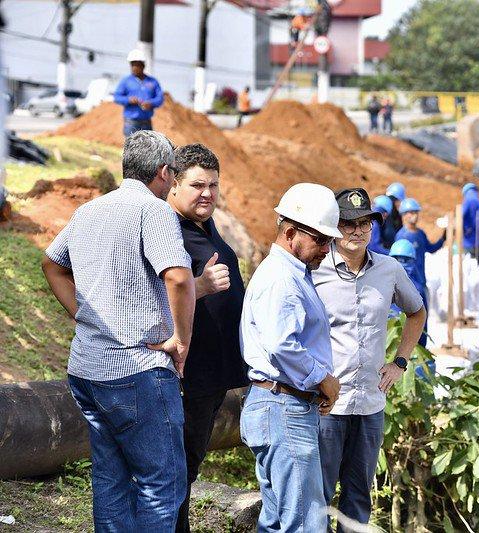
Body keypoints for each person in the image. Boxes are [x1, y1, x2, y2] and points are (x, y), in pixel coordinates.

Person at [41, 130, 194, 531]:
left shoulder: (90, 211)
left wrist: (84, 314)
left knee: (110, 482)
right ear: (163, 172)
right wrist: (181, 340)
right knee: (162, 485)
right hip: (137, 369)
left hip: (87, 369)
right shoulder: (153, 211)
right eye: (174, 176)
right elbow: (178, 278)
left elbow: (52, 265)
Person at [313, 188, 425, 530]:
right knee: (318, 494)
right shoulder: (314, 270)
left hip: (371, 404)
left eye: (365, 224)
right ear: (335, 226)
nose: (358, 231)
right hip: (327, 405)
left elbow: (416, 313)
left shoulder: (388, 269)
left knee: (359, 496)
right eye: (349, 224)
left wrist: (400, 362)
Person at [239, 183, 342, 532]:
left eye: (329, 242)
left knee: (277, 521)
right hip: (283, 408)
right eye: (320, 241)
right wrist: (323, 380)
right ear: (291, 232)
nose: (326, 251)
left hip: (281, 406)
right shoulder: (282, 277)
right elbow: (283, 346)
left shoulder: (291, 273)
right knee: (306, 523)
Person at [167, 144, 249, 533]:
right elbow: (148, 294)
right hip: (187, 371)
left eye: (214, 185)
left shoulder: (205, 224)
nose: (208, 194)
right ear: (173, 184)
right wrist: (198, 286)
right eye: (198, 185)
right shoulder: (166, 228)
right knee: (177, 464)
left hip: (215, 373)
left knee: (191, 459)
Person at [394, 198, 446, 312]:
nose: (415, 216)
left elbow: (430, 248)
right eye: (411, 212)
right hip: (409, 283)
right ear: (404, 215)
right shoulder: (401, 236)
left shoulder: (420, 233)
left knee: (423, 316)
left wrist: (443, 238)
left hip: (421, 281)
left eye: (416, 212)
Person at [114, 49, 164, 137]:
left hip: (147, 122)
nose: (134, 67)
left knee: (148, 149)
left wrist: (151, 103)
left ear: (143, 65)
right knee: (131, 149)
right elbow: (117, 97)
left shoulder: (153, 82)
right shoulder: (126, 81)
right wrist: (128, 100)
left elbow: (160, 98)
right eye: (132, 65)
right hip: (131, 122)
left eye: (137, 65)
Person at [389, 238, 430, 346]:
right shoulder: (383, 284)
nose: (402, 264)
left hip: (406, 342)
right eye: (398, 260)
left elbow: (422, 319)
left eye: (406, 260)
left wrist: (421, 347)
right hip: (388, 339)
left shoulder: (417, 289)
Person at [462, 182, 479, 270]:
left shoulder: (467, 203)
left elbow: (460, 218)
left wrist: (465, 231)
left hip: (468, 243)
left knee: (470, 270)